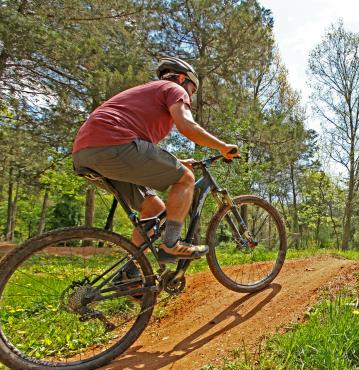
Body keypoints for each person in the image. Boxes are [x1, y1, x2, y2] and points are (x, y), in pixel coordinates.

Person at [72, 57, 239, 266]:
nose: (190, 97)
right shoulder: (173, 88)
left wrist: (177, 160)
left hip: (85, 153)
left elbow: (140, 149)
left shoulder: (146, 95)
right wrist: (222, 146)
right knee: (186, 179)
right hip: (114, 144)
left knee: (153, 210)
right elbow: (187, 126)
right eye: (192, 91)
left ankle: (131, 273)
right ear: (181, 78)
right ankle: (171, 244)